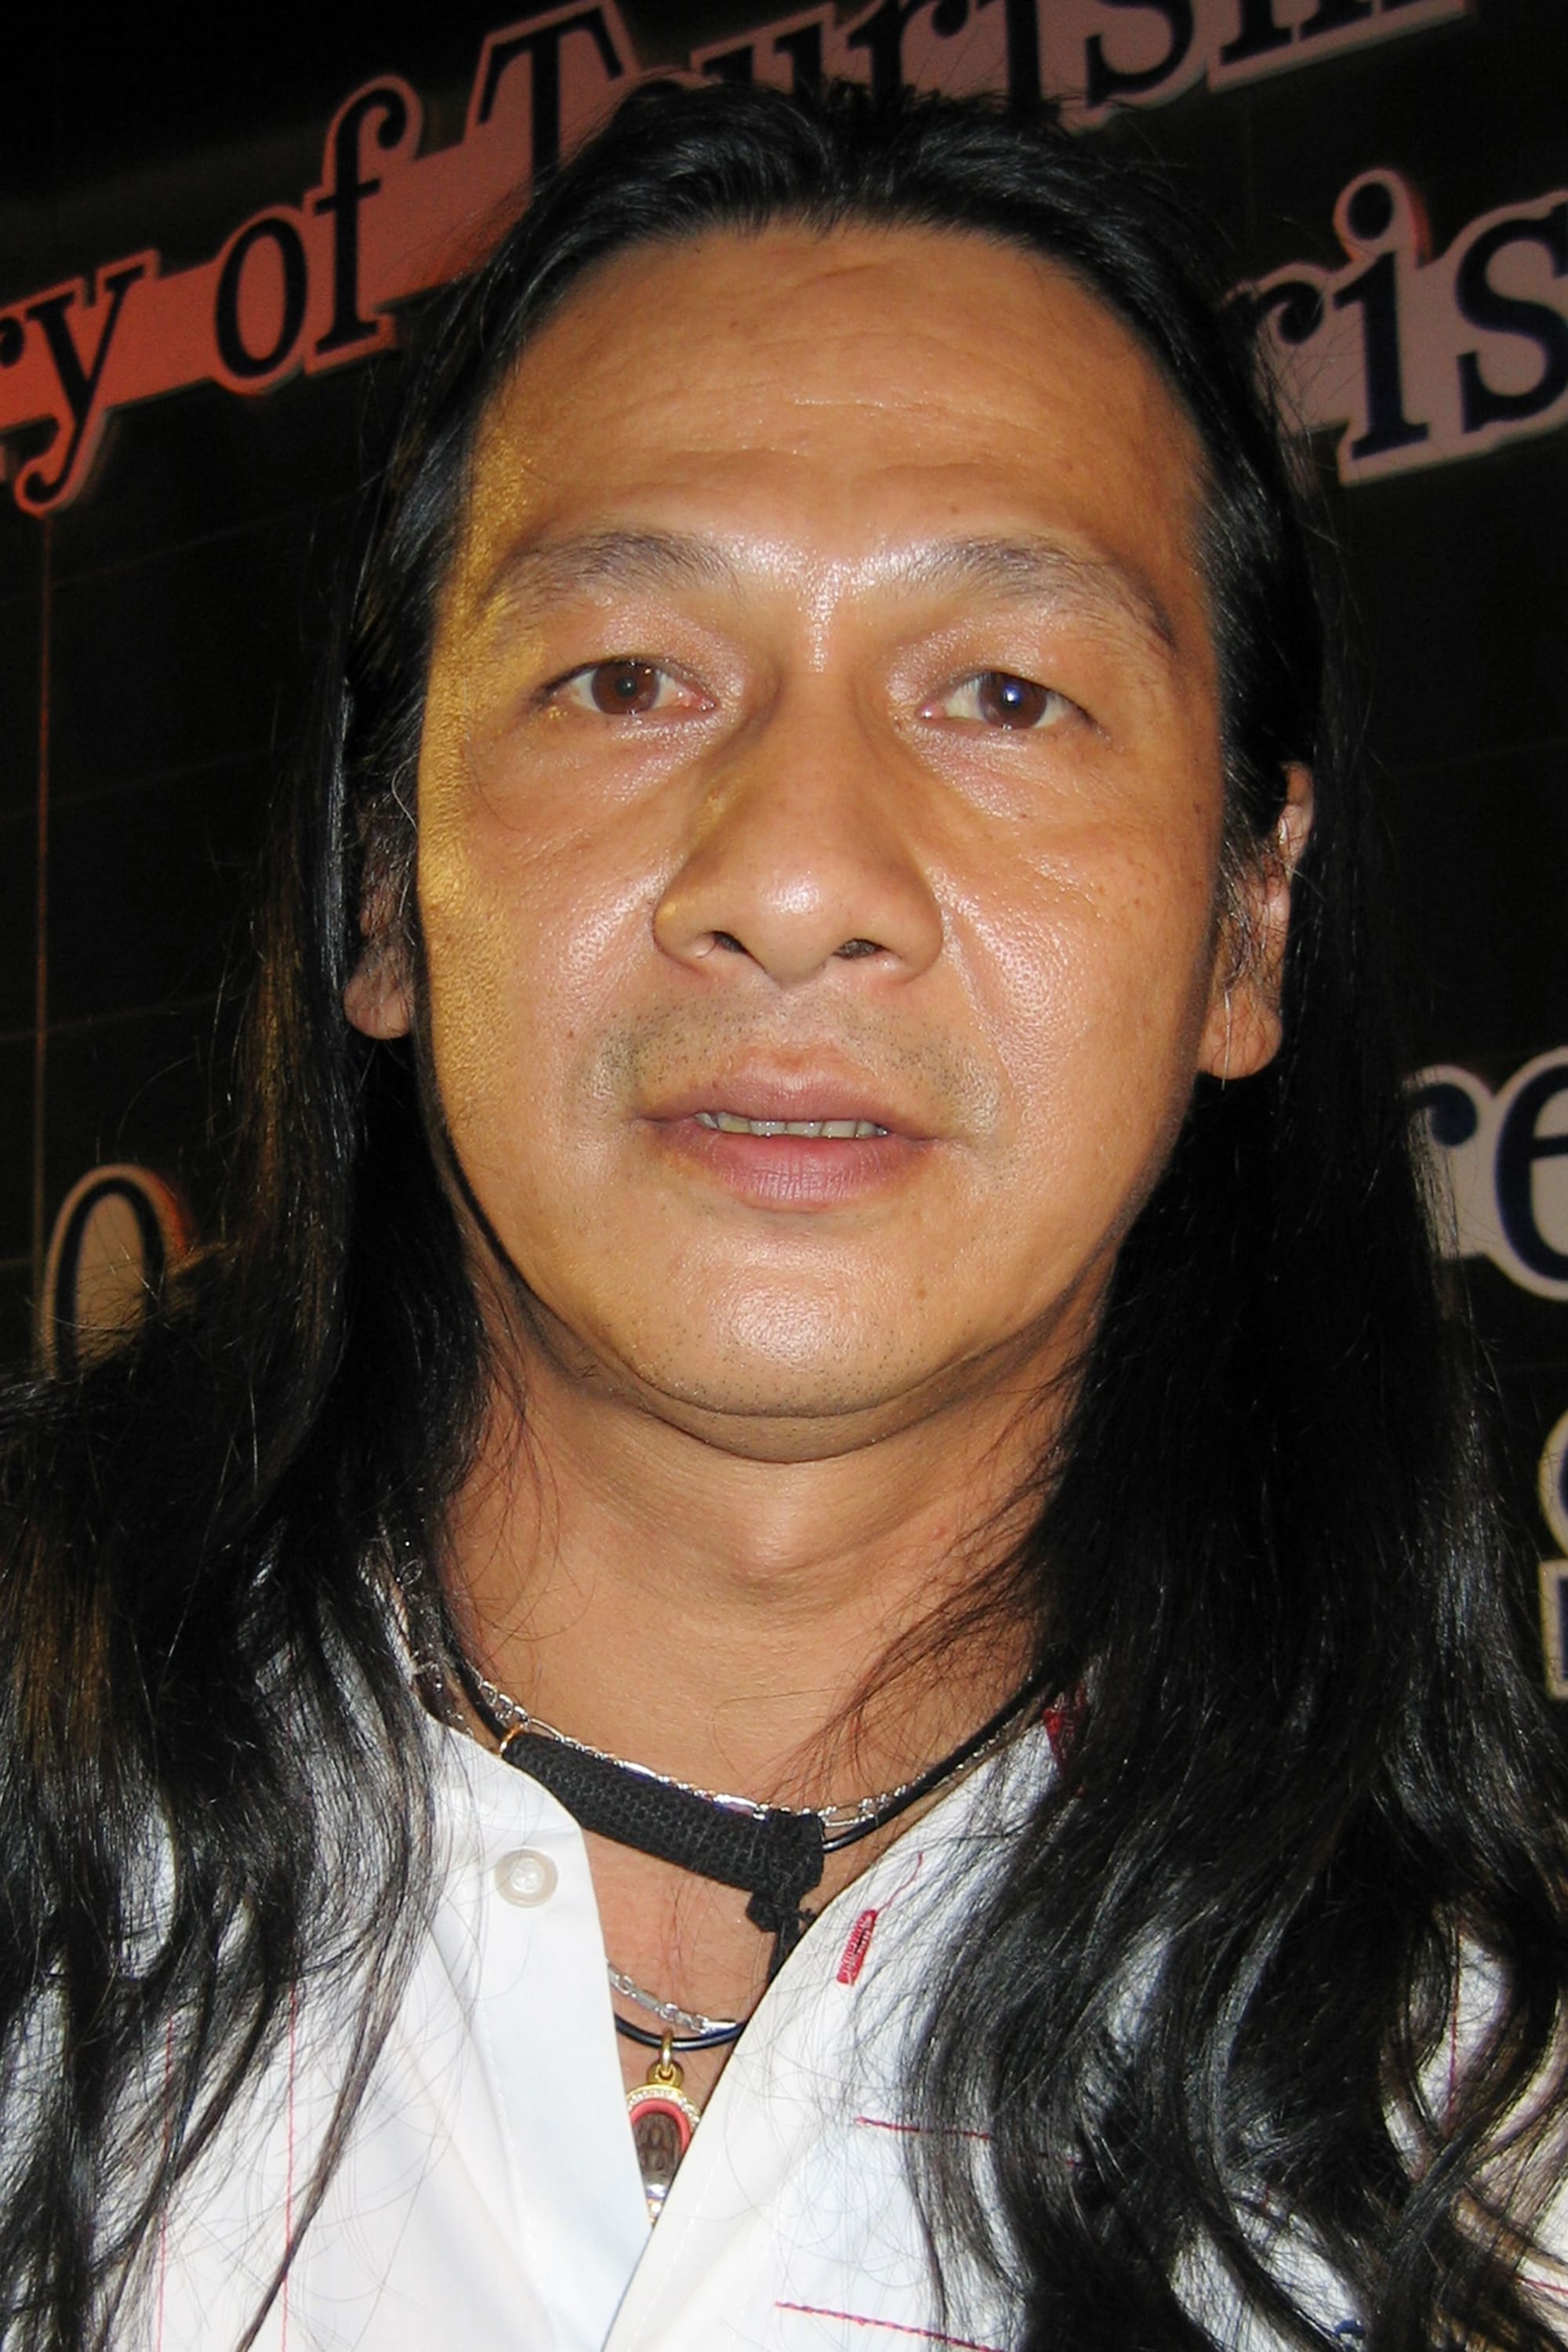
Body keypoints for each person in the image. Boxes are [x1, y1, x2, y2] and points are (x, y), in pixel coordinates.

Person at [3, 73, 1567, 2352]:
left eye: (1008, 694)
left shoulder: (1494, 2140)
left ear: (1247, 924)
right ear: (382, 884)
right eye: (626, 680)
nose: (800, 877)